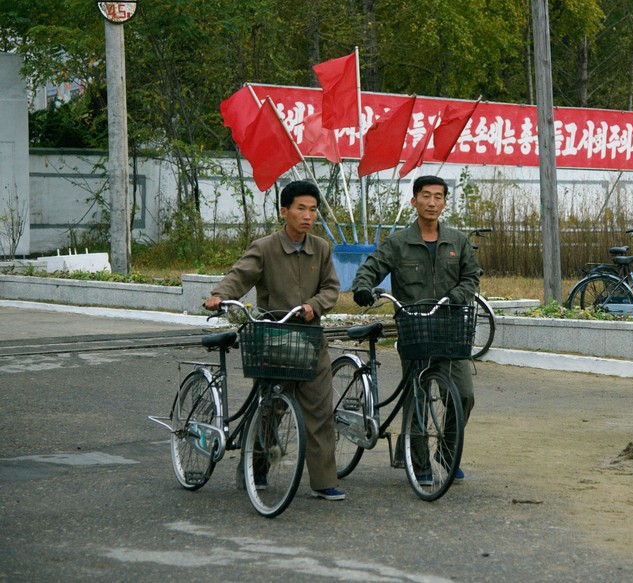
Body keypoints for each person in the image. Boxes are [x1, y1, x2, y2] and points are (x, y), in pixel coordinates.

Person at [203, 180, 345, 501]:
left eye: (313, 210)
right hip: (274, 337)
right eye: (301, 208)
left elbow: (331, 289)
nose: (308, 216)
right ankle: (256, 467)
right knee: (270, 409)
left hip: (310, 339)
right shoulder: (265, 247)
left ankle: (324, 481)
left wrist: (315, 305)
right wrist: (218, 296)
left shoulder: (321, 249)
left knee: (320, 410)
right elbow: (239, 275)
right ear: (285, 211)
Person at [350, 175, 481, 480]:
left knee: (463, 395)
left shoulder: (458, 241)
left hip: (450, 329)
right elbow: (370, 268)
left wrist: (456, 296)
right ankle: (419, 464)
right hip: (415, 330)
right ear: (414, 201)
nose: (431, 202)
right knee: (418, 397)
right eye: (425, 196)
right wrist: (363, 288)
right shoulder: (398, 243)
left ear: (445, 202)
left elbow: (471, 276)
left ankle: (446, 453)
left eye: (438, 196)